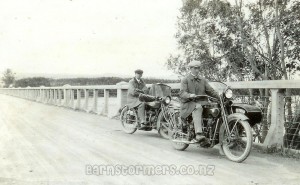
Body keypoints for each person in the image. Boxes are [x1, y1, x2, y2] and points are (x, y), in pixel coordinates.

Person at [179, 60, 219, 142]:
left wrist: (220, 96)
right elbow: (182, 93)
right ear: (191, 69)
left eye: (198, 68)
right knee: (198, 107)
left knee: (216, 108)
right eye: (195, 68)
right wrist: (190, 95)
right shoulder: (185, 80)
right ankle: (198, 134)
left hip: (202, 102)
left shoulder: (202, 80)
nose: (197, 70)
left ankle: (213, 132)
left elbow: (210, 91)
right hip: (189, 103)